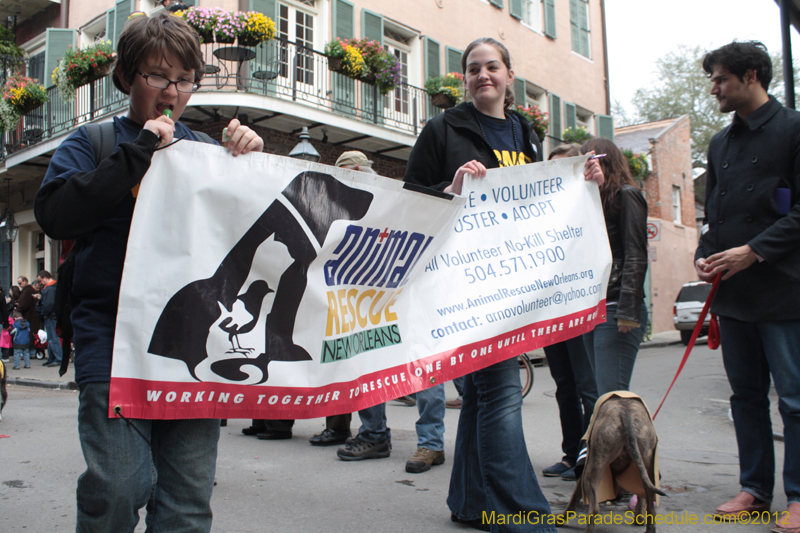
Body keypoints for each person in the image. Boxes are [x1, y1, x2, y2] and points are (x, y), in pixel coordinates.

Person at [34, 12, 263, 532]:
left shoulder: (206, 152)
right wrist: (138, 154)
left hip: (195, 348)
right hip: (113, 345)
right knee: (118, 488)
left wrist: (251, 163)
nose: (172, 91)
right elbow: (54, 215)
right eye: (157, 76)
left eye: (184, 80)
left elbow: (250, 231)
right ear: (126, 77)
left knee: (186, 502)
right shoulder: (92, 144)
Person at [403, 37, 603, 531]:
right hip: (464, 283)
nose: (483, 75)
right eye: (473, 69)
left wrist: (583, 179)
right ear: (464, 78)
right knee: (500, 390)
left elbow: (539, 200)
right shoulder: (442, 128)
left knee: (481, 395)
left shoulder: (524, 133)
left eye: (492, 67)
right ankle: (518, 510)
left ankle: (472, 503)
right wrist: (450, 188)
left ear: (510, 76)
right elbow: (410, 197)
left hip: (512, 281)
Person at [694, 41, 800, 530]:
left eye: (720, 79)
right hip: (732, 297)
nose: (714, 88)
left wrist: (752, 250)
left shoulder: (795, 129)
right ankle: (755, 488)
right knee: (746, 398)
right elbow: (713, 215)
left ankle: (798, 497)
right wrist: (703, 253)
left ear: (751, 75)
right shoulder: (719, 144)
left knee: (795, 399)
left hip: (785, 290)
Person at [329, 151, 448, 473]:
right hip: (369, 304)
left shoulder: (397, 199)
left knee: (424, 370)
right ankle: (374, 434)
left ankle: (431, 443)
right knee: (368, 368)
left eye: (358, 170)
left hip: (410, 299)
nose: (354, 176)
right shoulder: (340, 208)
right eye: (348, 172)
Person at [540, 144, 599, 482]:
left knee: (587, 386)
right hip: (551, 309)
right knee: (564, 384)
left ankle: (592, 458)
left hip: (580, 306)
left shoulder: (588, 200)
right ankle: (570, 454)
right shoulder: (543, 209)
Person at [579, 138, 648, 397]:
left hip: (616, 305)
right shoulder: (592, 200)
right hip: (595, 308)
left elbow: (635, 252)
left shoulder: (627, 195)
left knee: (612, 396)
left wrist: (628, 309)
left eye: (589, 160)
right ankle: (613, 439)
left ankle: (626, 439)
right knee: (603, 395)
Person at [37, 270, 62, 368]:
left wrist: (43, 313)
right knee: (51, 338)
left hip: (50, 316)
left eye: (40, 281)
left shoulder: (49, 289)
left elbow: (49, 304)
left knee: (52, 338)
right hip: (53, 315)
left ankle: (58, 358)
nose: (40, 283)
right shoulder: (54, 287)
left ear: (45, 278)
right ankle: (52, 358)